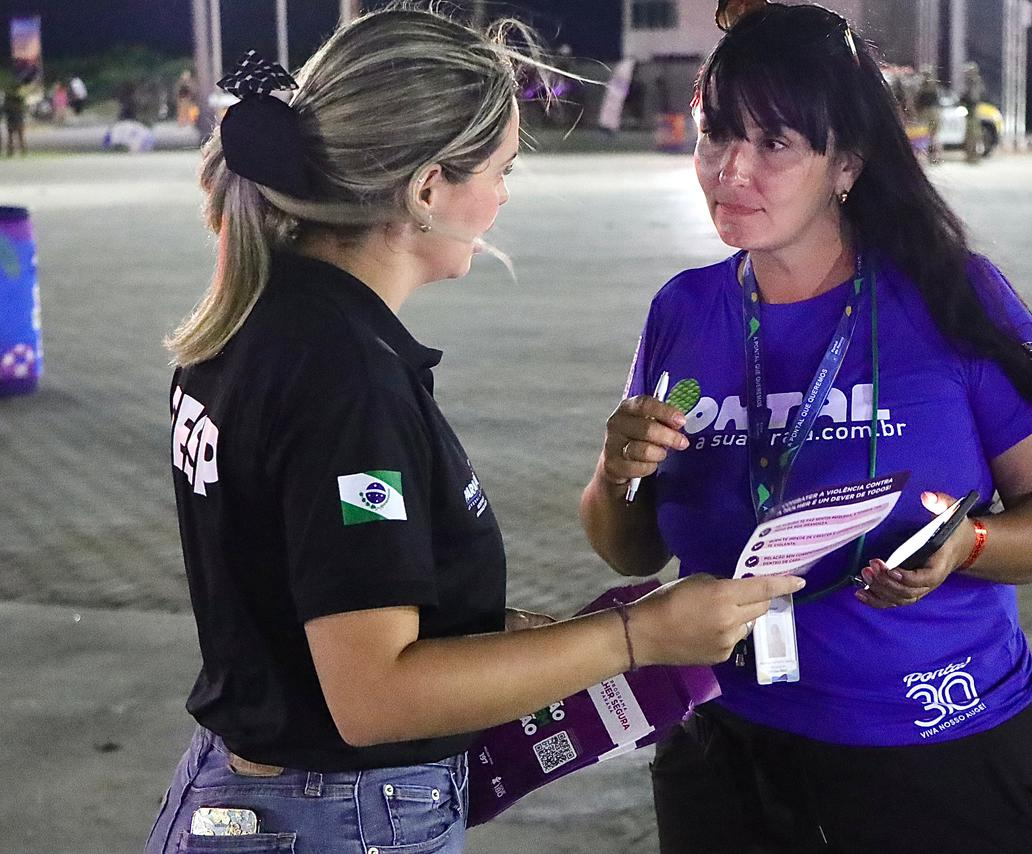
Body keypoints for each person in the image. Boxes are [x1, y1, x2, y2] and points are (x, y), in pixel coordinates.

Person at [145, 9, 801, 854]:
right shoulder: (343, 377)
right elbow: (375, 694)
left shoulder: (258, 323)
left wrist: (508, 635)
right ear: (426, 190)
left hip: (254, 797)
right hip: (330, 820)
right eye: (501, 168)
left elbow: (299, 598)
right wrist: (638, 638)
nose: (502, 196)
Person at [579, 3, 1032, 853]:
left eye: (774, 144)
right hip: (727, 743)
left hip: (934, 745)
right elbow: (632, 553)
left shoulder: (952, 297)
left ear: (848, 163)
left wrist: (969, 544)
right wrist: (615, 475)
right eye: (714, 135)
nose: (730, 170)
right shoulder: (684, 310)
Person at [915, 66, 942, 164]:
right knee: (934, 136)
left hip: (926, 114)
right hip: (935, 113)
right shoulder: (934, 87)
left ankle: (925, 157)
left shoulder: (923, 89)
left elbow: (918, 102)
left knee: (924, 136)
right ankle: (936, 157)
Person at [962, 60, 985, 163]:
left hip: (973, 111)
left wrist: (964, 100)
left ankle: (974, 156)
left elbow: (973, 98)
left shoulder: (974, 81)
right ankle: (972, 156)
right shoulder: (974, 82)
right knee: (972, 135)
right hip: (972, 111)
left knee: (973, 135)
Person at [3, 86, 26, 156]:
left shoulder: (8, 102)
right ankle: (22, 151)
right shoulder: (19, 102)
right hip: (17, 120)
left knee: (11, 137)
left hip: (12, 120)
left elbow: (5, 110)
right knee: (19, 137)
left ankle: (11, 151)